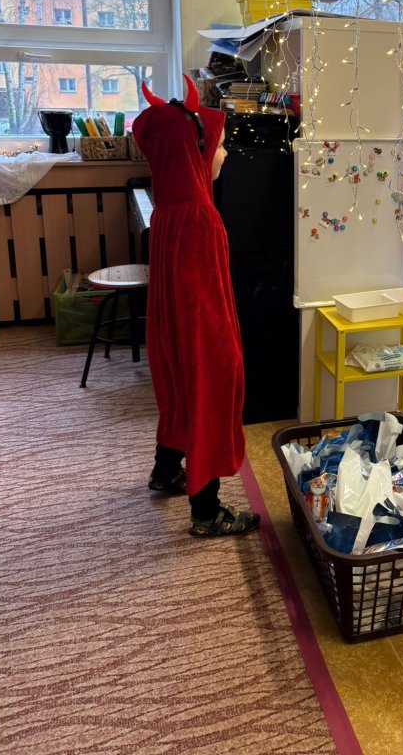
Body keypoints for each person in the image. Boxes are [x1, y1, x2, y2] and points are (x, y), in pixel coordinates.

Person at [132, 76, 260, 538]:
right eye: (218, 146)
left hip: (171, 330)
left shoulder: (165, 210)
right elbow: (206, 308)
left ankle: (166, 469)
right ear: (193, 151)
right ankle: (206, 511)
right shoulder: (200, 216)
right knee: (211, 382)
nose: (223, 154)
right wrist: (227, 352)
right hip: (199, 325)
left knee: (179, 383)